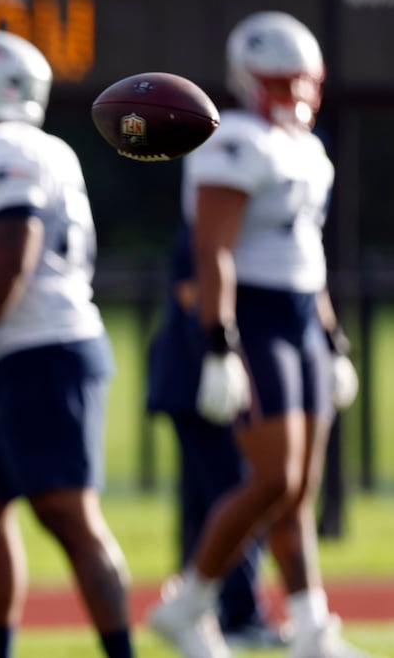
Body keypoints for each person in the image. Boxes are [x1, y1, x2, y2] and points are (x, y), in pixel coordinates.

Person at [146, 12, 374, 658]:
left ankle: (309, 626)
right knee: (272, 479)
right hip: (255, 317)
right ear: (250, 79)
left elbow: (309, 251)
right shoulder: (234, 140)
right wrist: (220, 344)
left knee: (300, 487)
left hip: (301, 316)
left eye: (302, 80)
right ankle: (188, 604)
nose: (295, 93)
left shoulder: (308, 148)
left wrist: (333, 339)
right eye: (281, 79)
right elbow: (212, 250)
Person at [0, 29, 134, 658]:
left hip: (44, 350)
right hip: (18, 354)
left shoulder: (2, 148)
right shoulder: (36, 147)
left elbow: (13, 254)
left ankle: (122, 653)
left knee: (69, 516)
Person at [145, 223, 289, 650]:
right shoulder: (209, 228)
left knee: (212, 498)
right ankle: (238, 612)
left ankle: (201, 608)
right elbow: (193, 294)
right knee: (238, 491)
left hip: (196, 377)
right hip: (198, 379)